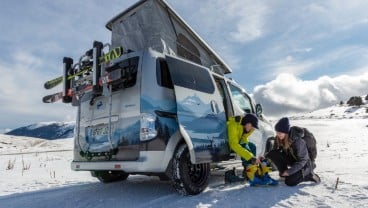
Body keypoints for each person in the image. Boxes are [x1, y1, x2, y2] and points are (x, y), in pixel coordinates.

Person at [266, 117, 320, 186]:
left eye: (280, 132)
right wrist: (264, 158)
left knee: (290, 182)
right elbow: (274, 152)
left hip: (305, 164)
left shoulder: (298, 141)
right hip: (294, 160)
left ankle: (310, 175)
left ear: (286, 132)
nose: (278, 134)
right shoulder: (279, 138)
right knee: (272, 153)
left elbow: (303, 160)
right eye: (277, 132)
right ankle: (283, 174)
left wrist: (289, 171)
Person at [227, 114, 277, 186]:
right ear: (248, 123)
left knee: (251, 146)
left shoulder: (245, 128)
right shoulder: (233, 125)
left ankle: (252, 172)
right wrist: (250, 157)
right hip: (229, 144)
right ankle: (252, 177)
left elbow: (243, 140)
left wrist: (256, 157)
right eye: (252, 126)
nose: (253, 129)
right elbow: (233, 144)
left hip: (237, 143)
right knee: (246, 149)